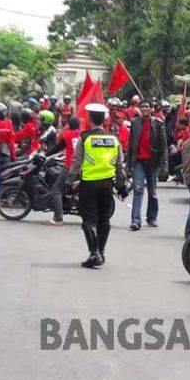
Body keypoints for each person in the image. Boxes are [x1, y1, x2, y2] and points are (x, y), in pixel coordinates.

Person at [66, 104, 127, 268]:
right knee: (104, 220)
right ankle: (101, 252)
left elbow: (76, 162)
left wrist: (69, 182)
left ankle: (94, 254)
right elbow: (120, 165)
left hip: (89, 185)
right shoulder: (114, 139)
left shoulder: (84, 138)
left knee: (88, 221)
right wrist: (122, 186)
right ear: (104, 119)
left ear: (90, 119)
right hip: (108, 185)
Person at [127, 99, 168, 230]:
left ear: (151, 109)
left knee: (152, 191)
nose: (144, 108)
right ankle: (135, 220)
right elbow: (130, 145)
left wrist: (165, 164)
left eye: (146, 106)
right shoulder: (135, 123)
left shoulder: (159, 123)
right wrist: (128, 165)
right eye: (142, 106)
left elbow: (164, 145)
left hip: (153, 162)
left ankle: (152, 218)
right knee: (138, 190)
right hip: (138, 161)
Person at [44, 117, 82, 226]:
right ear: (79, 126)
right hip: (83, 167)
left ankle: (58, 218)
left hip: (70, 167)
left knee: (56, 191)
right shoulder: (83, 135)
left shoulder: (67, 135)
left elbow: (56, 149)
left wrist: (45, 154)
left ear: (69, 126)